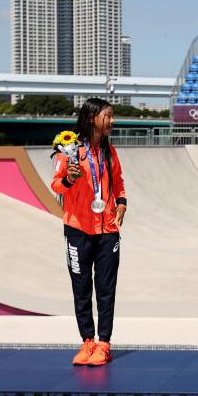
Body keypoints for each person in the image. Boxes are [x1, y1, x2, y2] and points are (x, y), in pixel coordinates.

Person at [51, 98, 128, 366]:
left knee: (106, 289)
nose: (113, 121)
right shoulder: (69, 151)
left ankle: (104, 344)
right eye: (108, 116)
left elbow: (118, 182)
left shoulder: (109, 151)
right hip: (77, 230)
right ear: (93, 117)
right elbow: (57, 186)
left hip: (107, 229)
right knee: (81, 289)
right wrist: (70, 178)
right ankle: (87, 341)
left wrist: (122, 203)